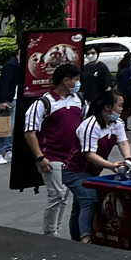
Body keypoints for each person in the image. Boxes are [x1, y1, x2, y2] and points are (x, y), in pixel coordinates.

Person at [24, 63, 85, 237]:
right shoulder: (43, 103)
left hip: (72, 156)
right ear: (66, 81)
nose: (78, 82)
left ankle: (54, 230)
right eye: (76, 79)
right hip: (52, 155)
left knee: (63, 194)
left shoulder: (78, 100)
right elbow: (30, 133)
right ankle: (50, 232)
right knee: (57, 194)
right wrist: (40, 157)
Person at [74, 87, 131, 241]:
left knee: (79, 204)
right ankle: (85, 238)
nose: (122, 109)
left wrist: (127, 157)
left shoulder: (117, 123)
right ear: (108, 107)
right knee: (89, 200)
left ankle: (76, 236)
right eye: (119, 105)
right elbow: (89, 154)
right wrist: (111, 165)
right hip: (75, 170)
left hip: (93, 170)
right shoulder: (91, 124)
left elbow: (123, 142)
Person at [0, 54, 18, 163]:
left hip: (14, 98)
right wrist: (2, 100)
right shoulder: (11, 65)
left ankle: (9, 150)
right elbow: (4, 83)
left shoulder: (17, 64)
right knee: (6, 126)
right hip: (10, 99)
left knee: (11, 127)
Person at [114, 56, 131, 130]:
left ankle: (124, 125)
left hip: (121, 90)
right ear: (130, 59)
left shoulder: (121, 68)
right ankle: (121, 121)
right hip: (129, 90)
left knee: (124, 108)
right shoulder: (130, 68)